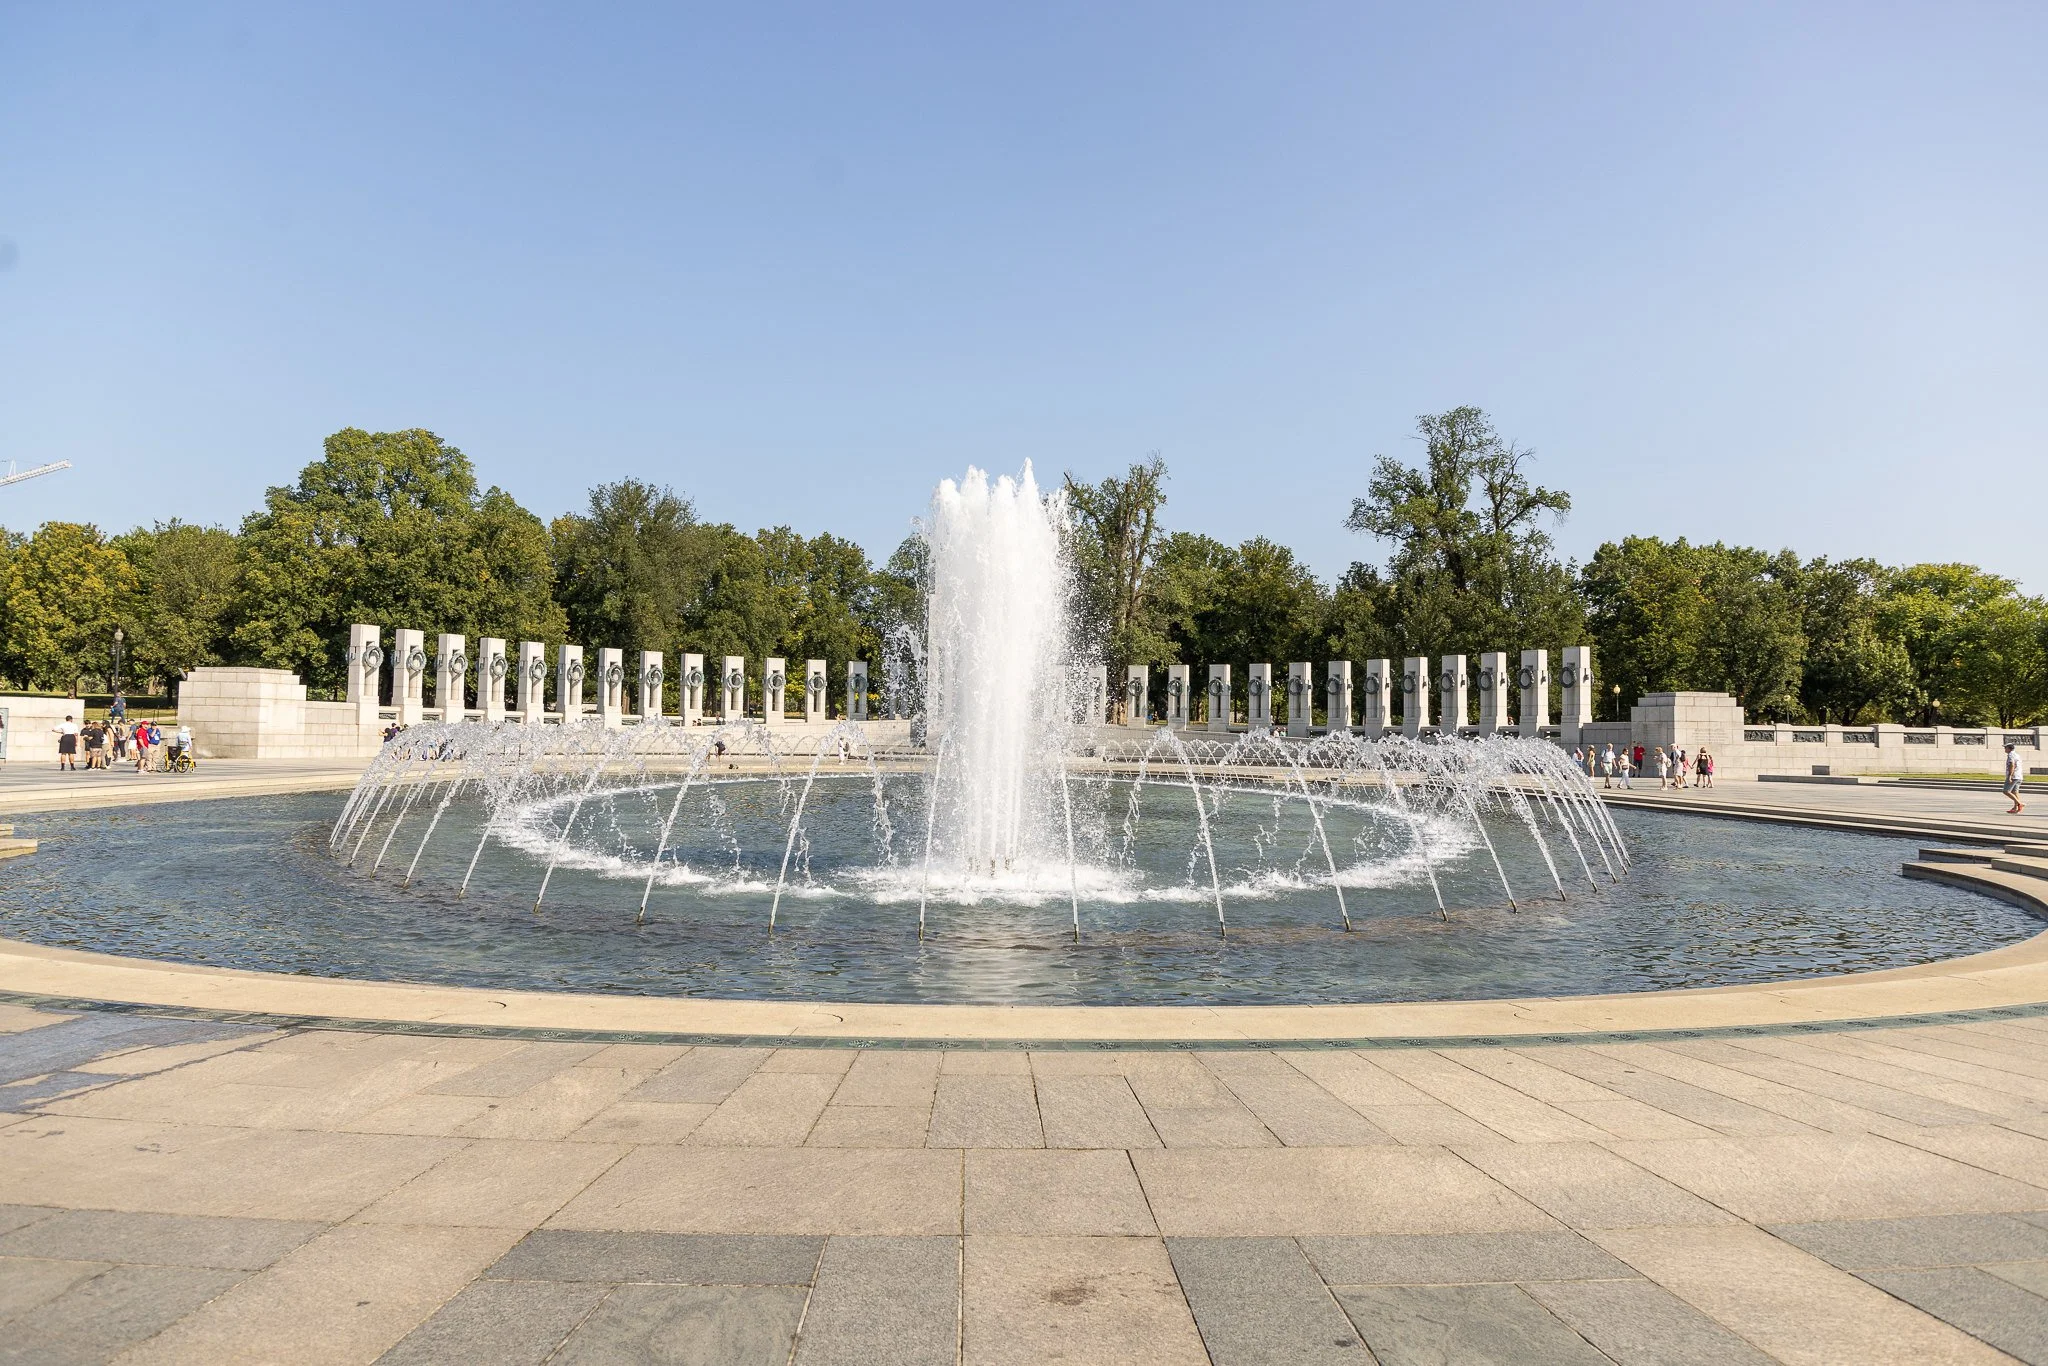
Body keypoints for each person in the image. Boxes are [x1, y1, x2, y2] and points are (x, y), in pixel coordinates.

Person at [2008, 742, 2027, 815]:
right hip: (2019, 776)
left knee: (2006, 791)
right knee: (2015, 792)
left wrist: (2010, 776)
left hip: (2014, 776)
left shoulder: (2011, 755)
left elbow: (2012, 765)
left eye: (2005, 748)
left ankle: (2020, 804)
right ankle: (2015, 808)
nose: (2004, 749)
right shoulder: (2017, 755)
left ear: (2009, 748)